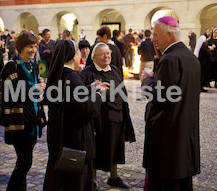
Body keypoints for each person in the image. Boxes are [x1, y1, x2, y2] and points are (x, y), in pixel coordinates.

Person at [141, 16, 201, 191]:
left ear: (169, 34)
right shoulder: (190, 57)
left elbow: (161, 97)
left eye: (156, 35)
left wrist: (146, 81)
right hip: (184, 132)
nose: (153, 39)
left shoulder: (170, 59)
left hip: (167, 137)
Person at [43, 40, 108, 191]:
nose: (80, 53)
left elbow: (71, 98)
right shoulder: (72, 78)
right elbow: (87, 109)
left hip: (60, 137)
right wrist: (98, 96)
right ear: (73, 56)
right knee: (75, 183)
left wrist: (87, 89)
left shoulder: (61, 75)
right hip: (75, 141)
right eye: (78, 51)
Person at [80, 42, 136, 190]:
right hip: (98, 120)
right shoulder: (86, 74)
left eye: (108, 53)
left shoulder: (116, 70)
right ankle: (93, 180)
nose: (107, 56)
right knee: (96, 150)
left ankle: (113, 177)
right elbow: (81, 97)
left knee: (116, 146)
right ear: (94, 57)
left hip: (117, 115)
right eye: (103, 54)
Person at [0, 30, 46, 191]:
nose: (33, 50)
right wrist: (34, 87)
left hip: (32, 120)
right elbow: (10, 93)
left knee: (24, 161)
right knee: (25, 162)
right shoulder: (11, 66)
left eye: (35, 46)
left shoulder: (32, 64)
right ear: (20, 47)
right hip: (18, 122)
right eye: (29, 46)